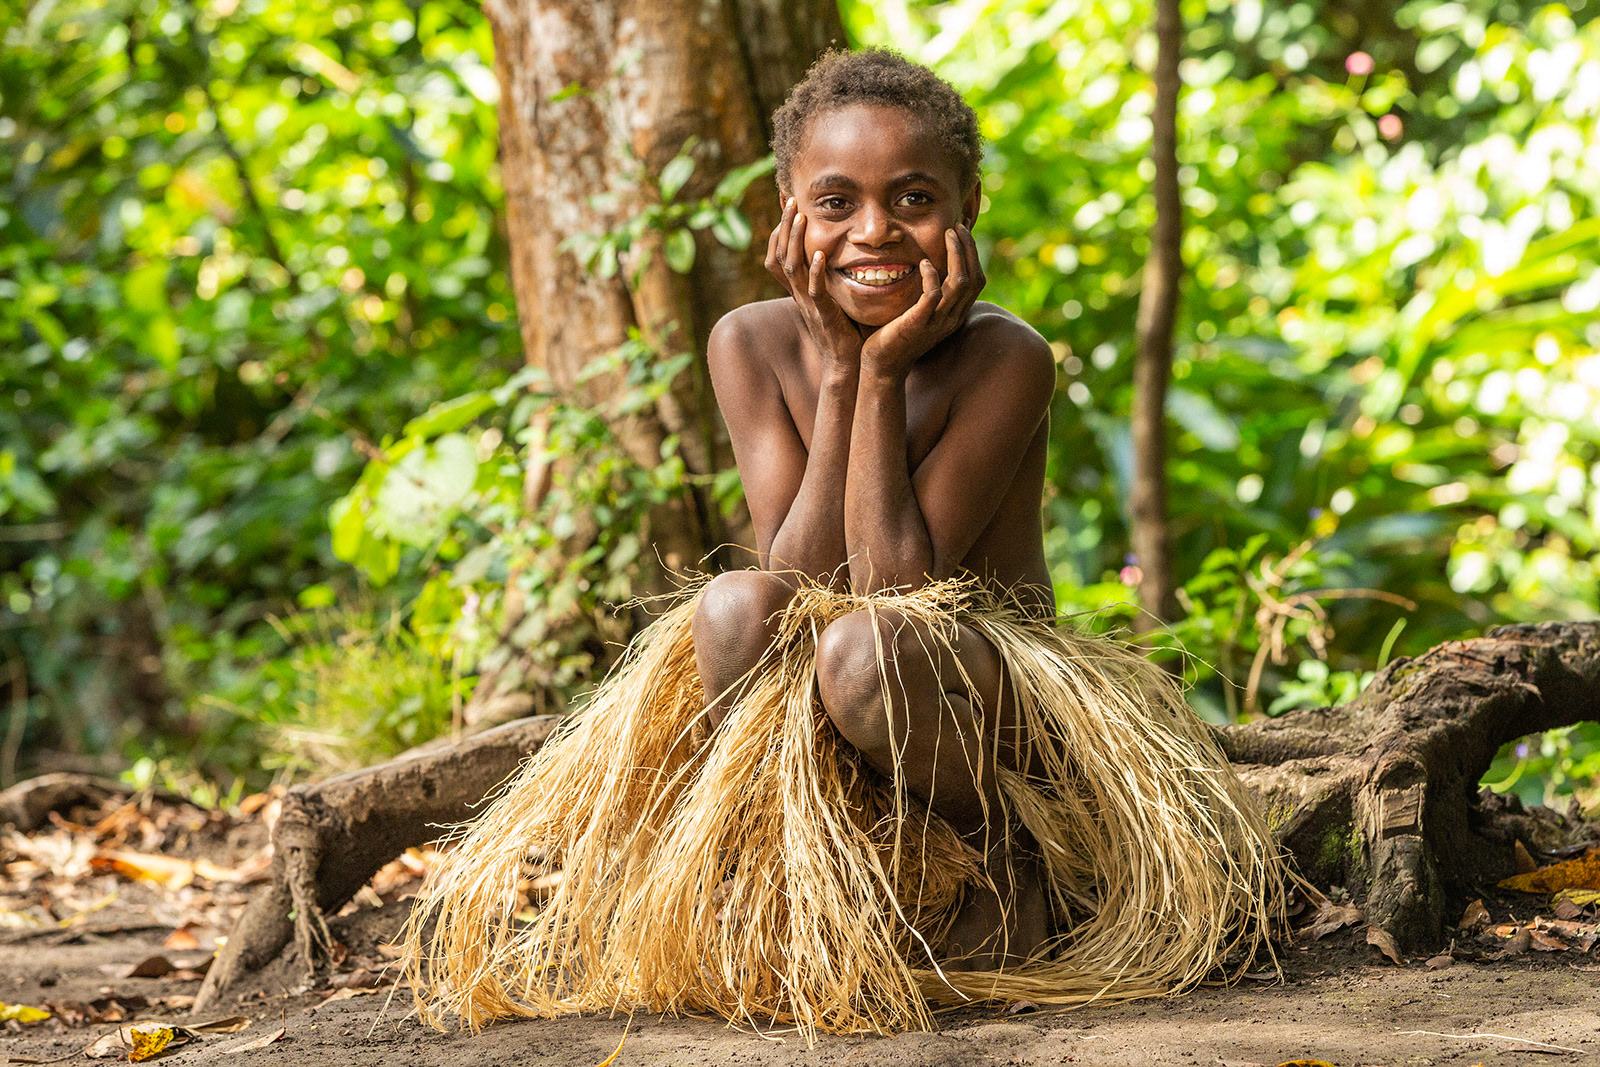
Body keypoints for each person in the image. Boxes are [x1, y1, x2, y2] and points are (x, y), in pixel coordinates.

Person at [403, 49, 1284, 1040]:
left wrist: (881, 366)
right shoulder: (748, 342)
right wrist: (836, 370)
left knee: (864, 653)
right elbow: (804, 578)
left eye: (911, 197)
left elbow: (897, 588)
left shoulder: (1006, 357)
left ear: (967, 208)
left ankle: (1005, 864)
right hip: (832, 690)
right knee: (733, 606)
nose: (873, 230)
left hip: (983, 701)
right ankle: (819, 866)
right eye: (836, 202)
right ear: (789, 214)